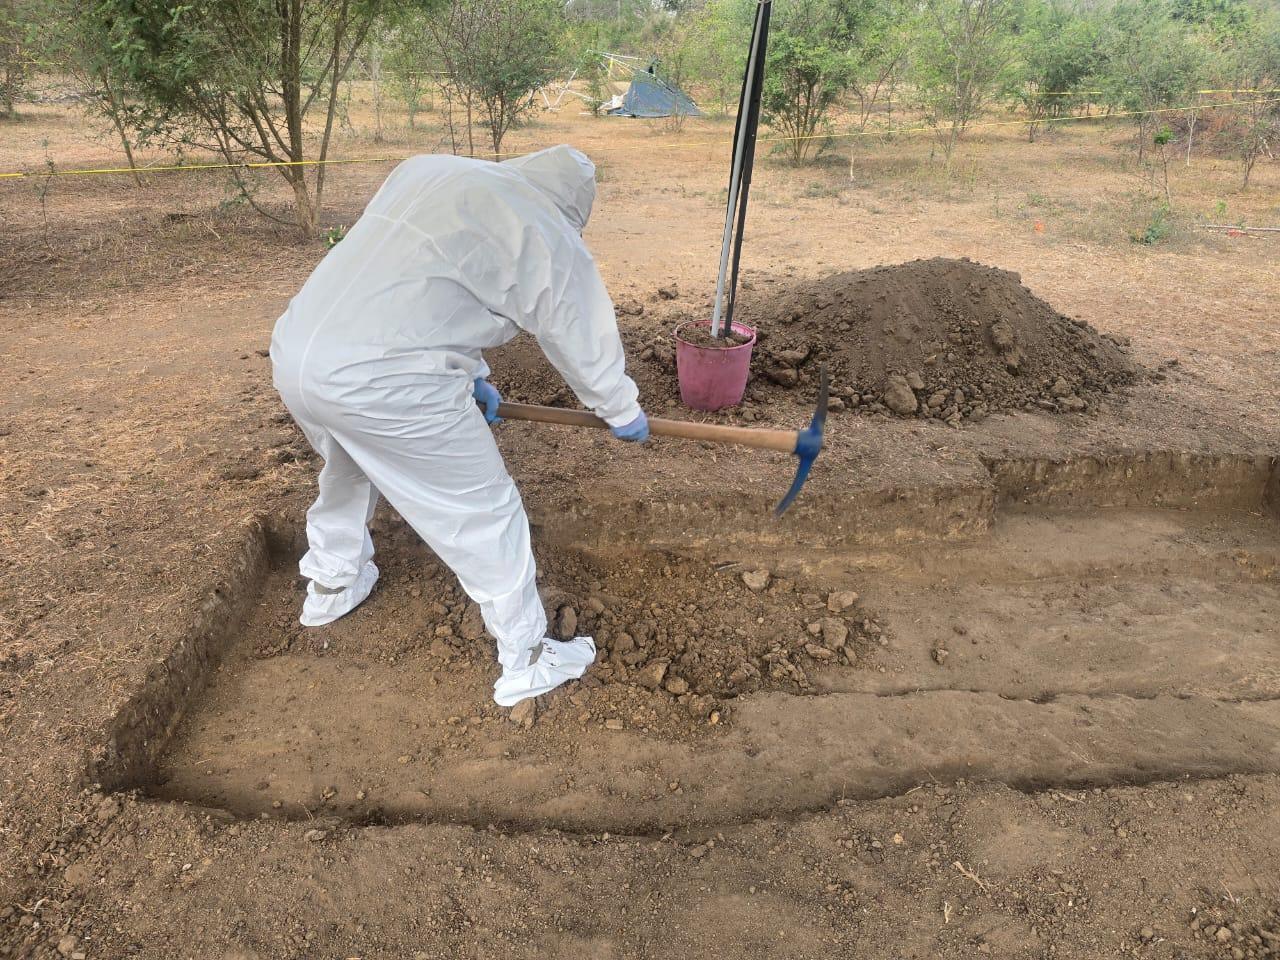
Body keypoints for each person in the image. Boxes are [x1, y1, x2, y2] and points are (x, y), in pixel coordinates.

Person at [270, 145, 649, 708]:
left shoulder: (430, 171)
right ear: (569, 207)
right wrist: (620, 407)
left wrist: (470, 374)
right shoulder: (541, 224)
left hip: (300, 354)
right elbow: (572, 321)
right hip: (387, 380)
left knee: (347, 468)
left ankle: (332, 582)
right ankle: (524, 658)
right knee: (483, 510)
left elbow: (419, 282)